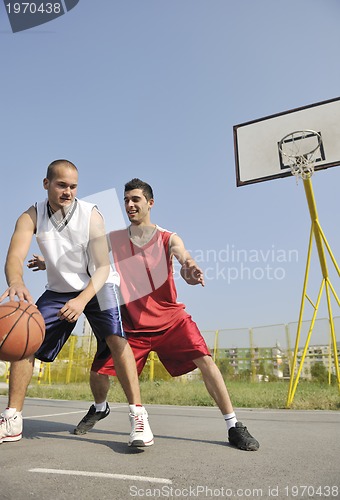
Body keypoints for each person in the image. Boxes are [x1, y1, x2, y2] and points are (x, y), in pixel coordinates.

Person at [74, 178, 260, 451]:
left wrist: (190, 266)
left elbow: (182, 255)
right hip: (132, 325)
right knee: (97, 372)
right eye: (126, 200)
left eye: (136, 199)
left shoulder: (167, 237)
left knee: (206, 360)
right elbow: (85, 255)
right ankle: (100, 407)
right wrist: (49, 262)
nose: (130, 205)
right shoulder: (115, 238)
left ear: (150, 203)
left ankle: (233, 425)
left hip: (170, 320)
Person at [0, 161, 153, 447]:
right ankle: (12, 418)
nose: (68, 191)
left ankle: (138, 417)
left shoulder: (91, 215)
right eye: (61, 185)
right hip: (60, 290)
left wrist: (82, 300)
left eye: (73, 186)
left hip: (100, 284)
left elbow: (103, 268)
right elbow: (14, 257)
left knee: (116, 340)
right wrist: (16, 282)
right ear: (46, 184)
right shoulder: (30, 216)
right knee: (25, 338)